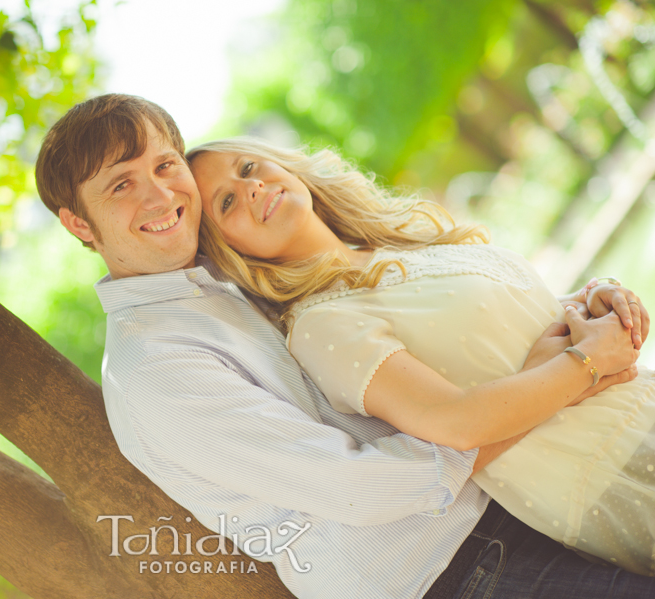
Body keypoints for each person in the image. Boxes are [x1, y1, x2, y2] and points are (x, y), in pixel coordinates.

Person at [35, 93, 653, 599]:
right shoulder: (154, 368)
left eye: (164, 166)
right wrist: (565, 377)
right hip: (454, 577)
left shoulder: (224, 280)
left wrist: (578, 314)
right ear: (78, 224)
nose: (160, 195)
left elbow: (448, 335)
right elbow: (354, 487)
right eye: (121, 185)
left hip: (513, 514)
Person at [187, 135, 655, 577]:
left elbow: (520, 326)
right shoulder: (320, 325)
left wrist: (594, 297)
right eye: (226, 202)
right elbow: (455, 424)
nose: (251, 188)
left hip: (641, 404)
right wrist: (588, 362)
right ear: (231, 254)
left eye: (248, 167)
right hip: (605, 473)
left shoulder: (397, 235)